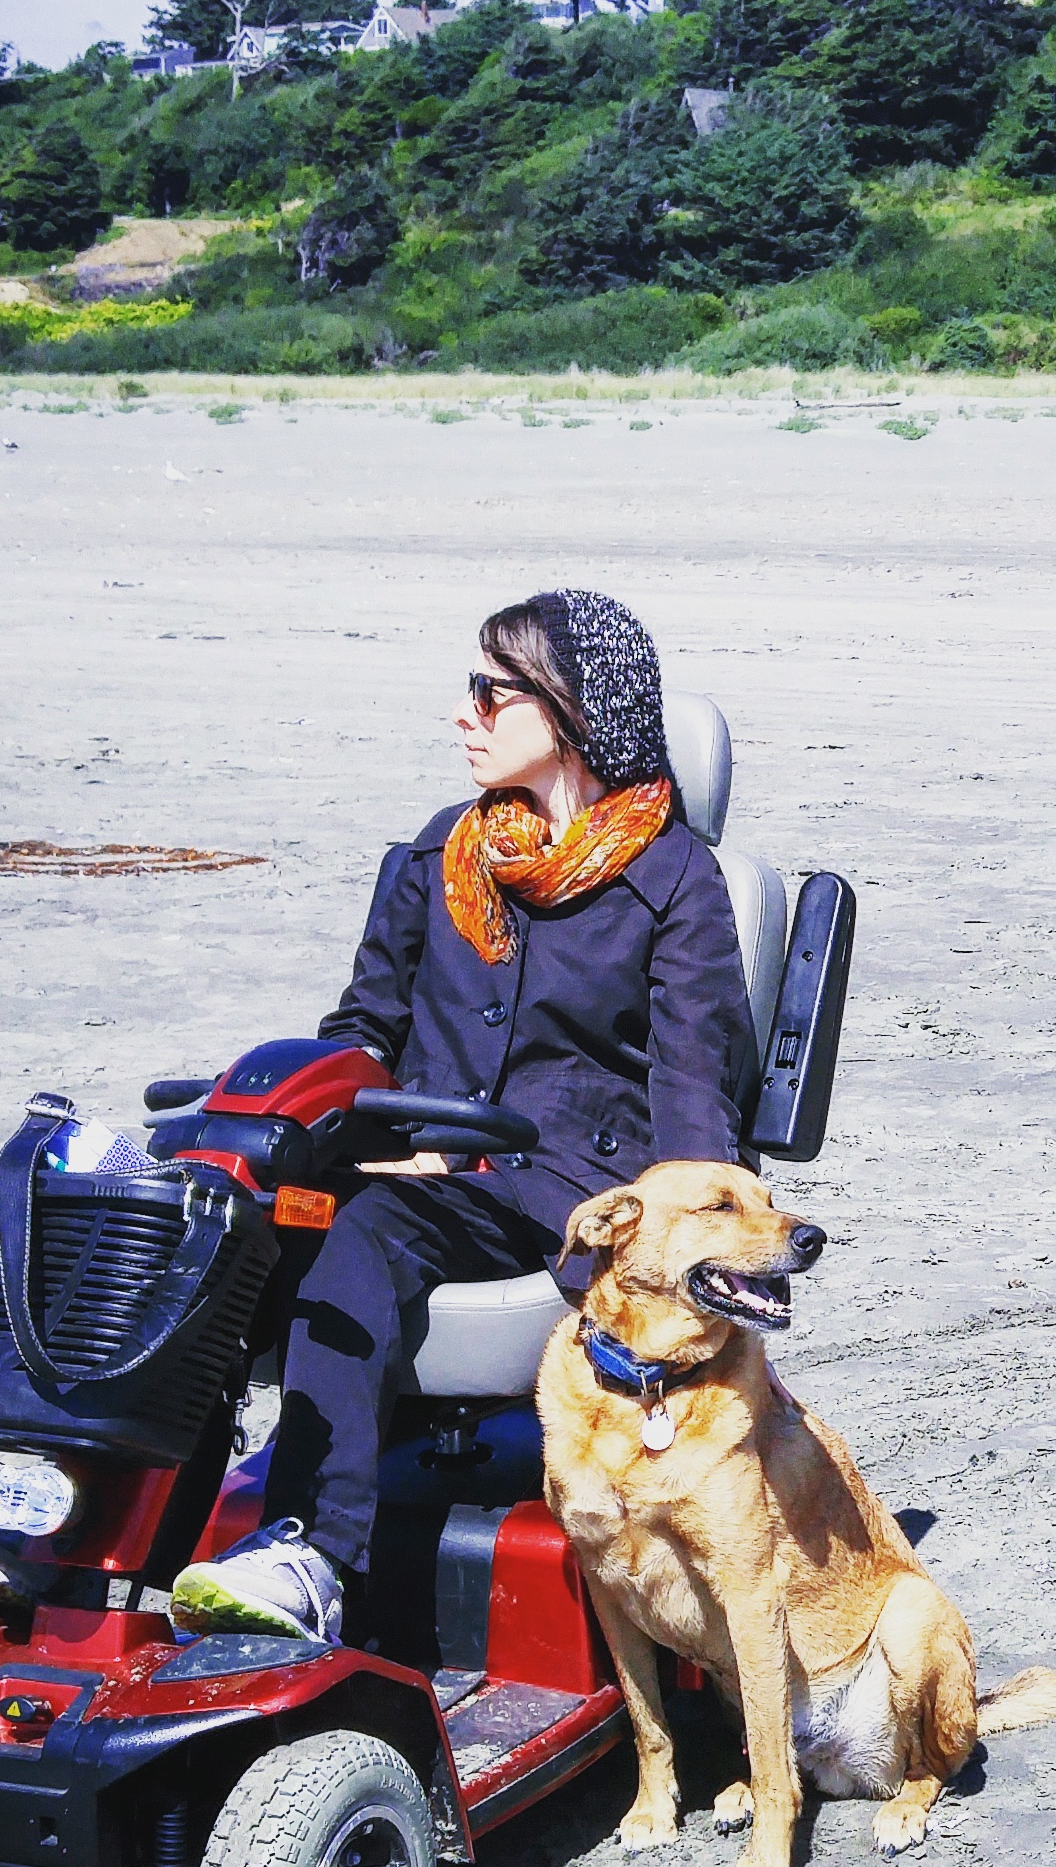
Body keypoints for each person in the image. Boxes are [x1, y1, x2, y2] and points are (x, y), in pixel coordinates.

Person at [152, 588, 751, 1642]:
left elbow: (692, 1093)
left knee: (362, 1233)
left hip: (568, 1195)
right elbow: (362, 1031)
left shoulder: (676, 884)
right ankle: (114, 1539)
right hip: (419, 1170)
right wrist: (316, 1127)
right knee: (215, 1213)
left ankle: (311, 1553)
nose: (464, 713)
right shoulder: (441, 853)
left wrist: (693, 1243)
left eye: (491, 691)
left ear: (570, 708)